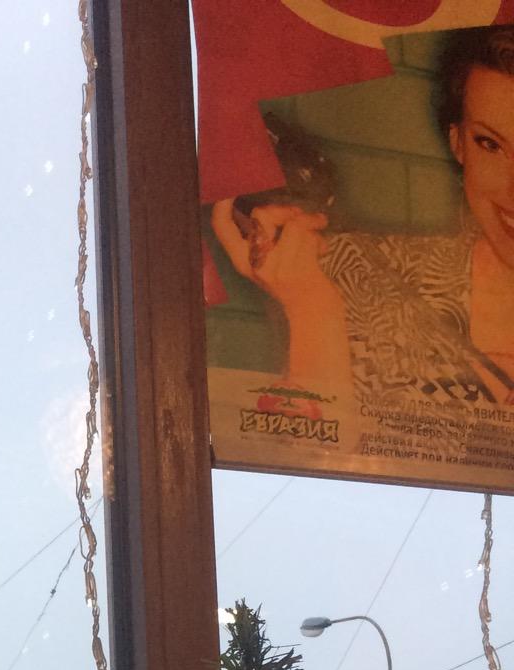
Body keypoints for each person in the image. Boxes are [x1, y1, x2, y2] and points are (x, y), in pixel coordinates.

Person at [212, 28, 514, 417]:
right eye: (490, 144)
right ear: (458, 144)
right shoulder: (357, 274)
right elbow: (312, 445)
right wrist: (312, 308)